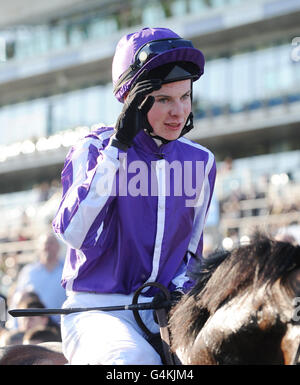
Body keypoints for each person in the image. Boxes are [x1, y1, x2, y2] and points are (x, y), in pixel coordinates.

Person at [52, 27, 216, 365]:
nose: (179, 112)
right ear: (134, 101)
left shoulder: (202, 161)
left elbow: (191, 255)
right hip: (97, 311)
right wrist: (117, 151)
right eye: (164, 99)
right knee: (133, 362)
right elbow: (72, 233)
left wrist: (182, 291)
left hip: (165, 314)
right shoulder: (93, 148)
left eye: (185, 97)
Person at [11, 233, 66, 326]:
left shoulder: (68, 271)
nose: (47, 247)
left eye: (51, 243)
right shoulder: (28, 272)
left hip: (61, 328)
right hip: (34, 329)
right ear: (39, 248)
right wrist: (15, 327)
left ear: (59, 246)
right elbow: (18, 301)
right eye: (44, 244)